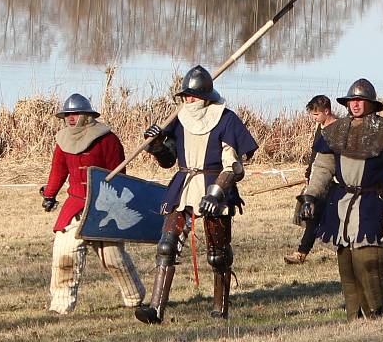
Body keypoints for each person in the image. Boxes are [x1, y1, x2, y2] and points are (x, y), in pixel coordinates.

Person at [135, 65, 258, 324]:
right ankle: (156, 310)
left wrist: (216, 194)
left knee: (218, 253)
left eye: (192, 96)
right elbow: (169, 160)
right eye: (185, 96)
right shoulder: (178, 119)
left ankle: (220, 309)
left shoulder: (225, 118)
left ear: (204, 96)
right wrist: (156, 145)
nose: (188, 100)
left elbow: (234, 166)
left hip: (214, 185)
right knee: (166, 245)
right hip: (184, 184)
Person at [299, 79, 383, 320]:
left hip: (374, 199)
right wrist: (310, 196)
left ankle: (376, 312)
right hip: (342, 201)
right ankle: (355, 315)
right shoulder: (334, 131)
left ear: (371, 103)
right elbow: (322, 169)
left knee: (369, 257)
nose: (355, 105)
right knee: (347, 261)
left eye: (360, 100)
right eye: (352, 100)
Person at [41, 94, 146, 314]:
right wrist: (49, 194)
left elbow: (119, 175)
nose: (71, 119)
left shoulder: (107, 139)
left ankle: (134, 298)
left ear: (87, 115)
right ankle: (60, 306)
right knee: (64, 253)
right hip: (75, 206)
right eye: (67, 115)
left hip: (103, 206)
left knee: (113, 257)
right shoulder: (62, 140)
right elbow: (58, 171)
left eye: (75, 114)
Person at [284, 95, 338, 264]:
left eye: (316, 115)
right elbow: (316, 156)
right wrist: (309, 175)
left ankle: (303, 253)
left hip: (334, 181)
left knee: (324, 215)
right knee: (313, 215)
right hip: (318, 178)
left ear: (326, 111)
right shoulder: (320, 128)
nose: (314, 118)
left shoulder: (339, 129)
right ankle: (302, 253)